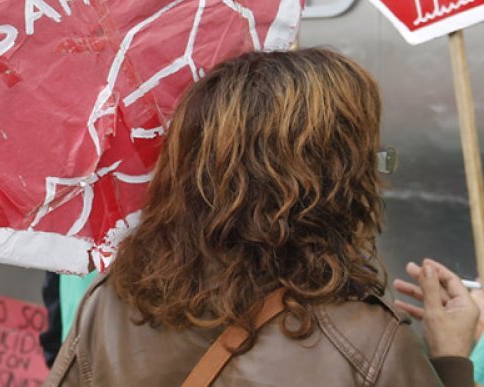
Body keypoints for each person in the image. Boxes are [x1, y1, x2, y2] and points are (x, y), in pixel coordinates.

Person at [46, 48, 478, 386]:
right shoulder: (368, 344)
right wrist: (452, 358)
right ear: (335, 185)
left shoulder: (115, 298)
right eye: (369, 161)